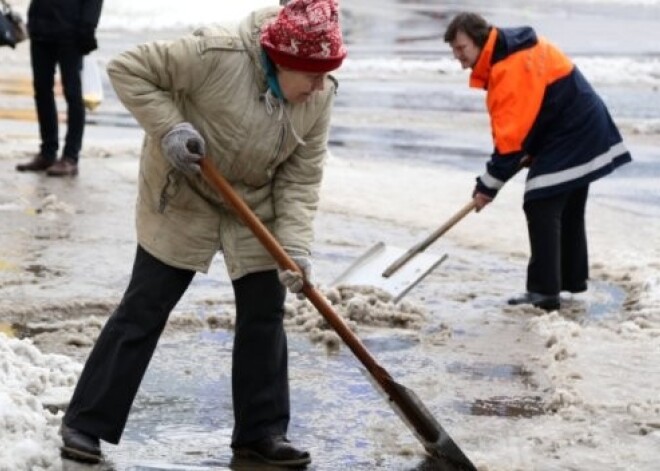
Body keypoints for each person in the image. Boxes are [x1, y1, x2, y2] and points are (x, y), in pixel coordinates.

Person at [58, 0, 346, 467]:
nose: (319, 86)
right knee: (146, 306)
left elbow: (300, 178)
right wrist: (171, 129)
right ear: (283, 58)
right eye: (312, 74)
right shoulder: (217, 54)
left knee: (264, 312)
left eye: (326, 74)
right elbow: (128, 68)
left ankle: (261, 432)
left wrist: (293, 249)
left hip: (254, 203)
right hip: (187, 189)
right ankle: (85, 423)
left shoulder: (321, 93)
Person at [444, 12, 631, 312]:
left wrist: (486, 187)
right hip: (576, 126)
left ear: (480, 41)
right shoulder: (507, 54)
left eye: (462, 48)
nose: (458, 57)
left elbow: (510, 142)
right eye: (453, 50)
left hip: (574, 131)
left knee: (541, 201)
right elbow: (533, 111)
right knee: (565, 204)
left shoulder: (509, 65)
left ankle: (544, 293)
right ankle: (568, 282)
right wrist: (526, 150)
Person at [15, 0, 103, 177]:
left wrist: (88, 27)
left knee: (72, 93)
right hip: (40, 28)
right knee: (41, 90)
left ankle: (70, 157)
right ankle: (47, 153)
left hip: (71, 31)